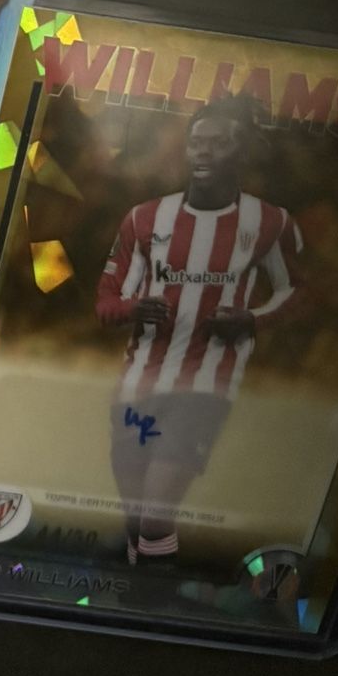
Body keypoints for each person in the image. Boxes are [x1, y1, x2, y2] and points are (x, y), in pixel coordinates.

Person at [95, 98, 300, 569]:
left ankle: (149, 599)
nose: (203, 152)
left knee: (155, 516)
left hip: (206, 386)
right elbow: (105, 299)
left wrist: (251, 319)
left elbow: (298, 292)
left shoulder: (270, 222)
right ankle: (138, 595)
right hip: (138, 385)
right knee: (136, 517)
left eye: (219, 143)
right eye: (196, 142)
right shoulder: (144, 218)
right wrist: (130, 309)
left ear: (243, 151)